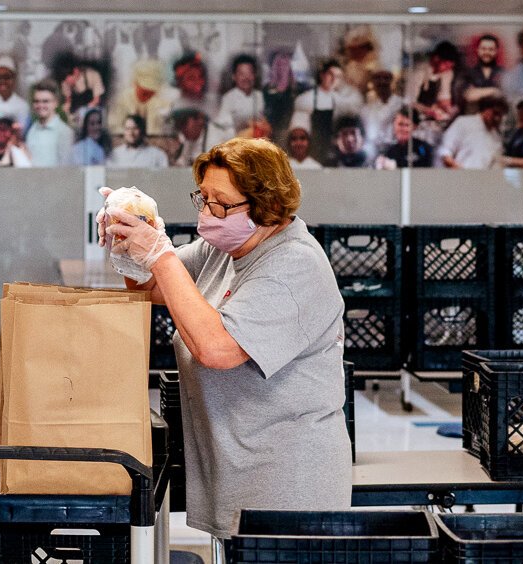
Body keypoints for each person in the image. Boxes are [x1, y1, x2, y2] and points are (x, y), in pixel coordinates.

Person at [98, 136, 350, 547]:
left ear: (266, 204)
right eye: (204, 198)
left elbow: (216, 349)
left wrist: (159, 253)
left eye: (222, 203)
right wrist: (131, 237)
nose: (209, 212)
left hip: (284, 484)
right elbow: (150, 287)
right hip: (232, 464)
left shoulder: (294, 264)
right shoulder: (224, 248)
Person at [291, 60, 361, 158]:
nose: (333, 79)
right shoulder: (305, 100)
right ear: (322, 75)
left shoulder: (342, 102)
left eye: (338, 77)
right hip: (312, 151)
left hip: (333, 153)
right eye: (330, 74)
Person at [109, 60, 181, 139]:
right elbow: (114, 127)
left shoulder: (164, 101)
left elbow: (170, 129)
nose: (148, 96)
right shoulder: (123, 99)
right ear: (135, 84)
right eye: (144, 92)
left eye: (151, 93)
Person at [437, 96, 509, 169]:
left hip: (483, 178)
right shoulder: (463, 123)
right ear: (485, 109)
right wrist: (459, 171)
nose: (497, 118)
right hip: (458, 175)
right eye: (495, 113)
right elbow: (445, 152)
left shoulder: (496, 137)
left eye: (501, 115)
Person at [212, 54, 264, 146]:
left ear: (254, 76)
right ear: (234, 77)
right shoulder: (228, 98)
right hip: (236, 144)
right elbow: (223, 127)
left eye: (249, 73)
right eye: (242, 74)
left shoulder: (259, 96)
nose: (246, 78)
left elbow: (264, 122)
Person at [358, 69, 405, 161]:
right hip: (372, 153)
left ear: (392, 81)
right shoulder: (366, 109)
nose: (382, 82)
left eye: (386, 78)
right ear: (372, 82)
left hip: (397, 151)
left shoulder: (402, 104)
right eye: (377, 78)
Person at [25, 80, 74, 166]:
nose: (40, 105)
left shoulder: (64, 131)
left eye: (45, 101)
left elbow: (66, 169)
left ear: (56, 103)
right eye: (36, 101)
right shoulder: (32, 130)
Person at [409, 41, 461, 123]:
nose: (448, 69)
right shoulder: (419, 71)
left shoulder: (447, 72)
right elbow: (409, 102)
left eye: (450, 67)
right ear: (436, 59)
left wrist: (450, 111)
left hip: (432, 115)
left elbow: (444, 98)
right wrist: (428, 111)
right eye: (446, 65)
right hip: (415, 115)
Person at [261, 50, 302, 140]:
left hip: (290, 135)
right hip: (268, 135)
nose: (282, 68)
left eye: (285, 65)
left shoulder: (297, 91)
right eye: (278, 64)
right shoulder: (266, 90)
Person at [55, 52, 105, 121]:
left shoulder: (93, 75)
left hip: (94, 108)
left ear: (75, 71)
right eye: (65, 81)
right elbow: (68, 99)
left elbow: (97, 100)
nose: (67, 83)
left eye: (69, 80)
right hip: (77, 110)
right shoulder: (65, 82)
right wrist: (66, 108)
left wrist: (83, 112)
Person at [458, 34, 504, 101]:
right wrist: (494, 90)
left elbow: (506, 94)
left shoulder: (504, 73)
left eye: (491, 49)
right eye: (483, 49)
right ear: (478, 50)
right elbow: (469, 96)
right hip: (475, 111)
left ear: (496, 51)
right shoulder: (469, 72)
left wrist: (478, 91)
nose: (487, 52)